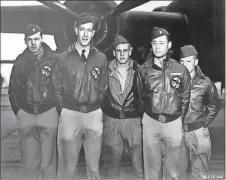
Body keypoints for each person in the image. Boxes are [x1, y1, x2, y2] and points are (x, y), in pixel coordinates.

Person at [53, 13, 107, 179]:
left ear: (93, 33)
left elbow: (104, 88)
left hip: (93, 114)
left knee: (94, 167)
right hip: (70, 114)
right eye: (82, 29)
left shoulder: (101, 58)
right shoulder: (63, 58)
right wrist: (65, 110)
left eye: (89, 30)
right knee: (67, 168)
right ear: (76, 30)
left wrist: (96, 109)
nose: (85, 34)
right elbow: (56, 86)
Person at [138, 27, 191, 179]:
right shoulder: (143, 70)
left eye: (161, 43)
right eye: (154, 43)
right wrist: (147, 117)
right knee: (151, 171)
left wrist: (178, 118)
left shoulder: (180, 69)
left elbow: (185, 96)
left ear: (169, 45)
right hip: (151, 122)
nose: (157, 46)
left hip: (173, 122)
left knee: (173, 171)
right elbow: (138, 96)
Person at [8, 24, 59, 179]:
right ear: (25, 41)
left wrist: (58, 110)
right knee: (30, 164)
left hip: (49, 112)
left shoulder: (54, 59)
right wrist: (19, 112)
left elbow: (62, 87)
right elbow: (13, 88)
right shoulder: (20, 61)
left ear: (41, 38)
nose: (33, 43)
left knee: (49, 163)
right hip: (26, 114)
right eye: (29, 40)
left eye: (36, 39)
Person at [100, 35, 144, 178]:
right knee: (112, 163)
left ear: (130, 51)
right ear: (114, 53)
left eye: (125, 50)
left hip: (133, 121)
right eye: (119, 51)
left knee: (139, 163)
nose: (122, 54)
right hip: (112, 120)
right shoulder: (105, 70)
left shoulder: (139, 71)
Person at [180, 45, 219, 179]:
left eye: (189, 61)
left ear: (196, 62)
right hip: (178, 132)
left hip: (198, 133)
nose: (185, 65)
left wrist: (203, 123)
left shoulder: (205, 82)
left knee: (200, 174)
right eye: (182, 61)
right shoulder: (174, 82)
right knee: (175, 173)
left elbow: (213, 106)